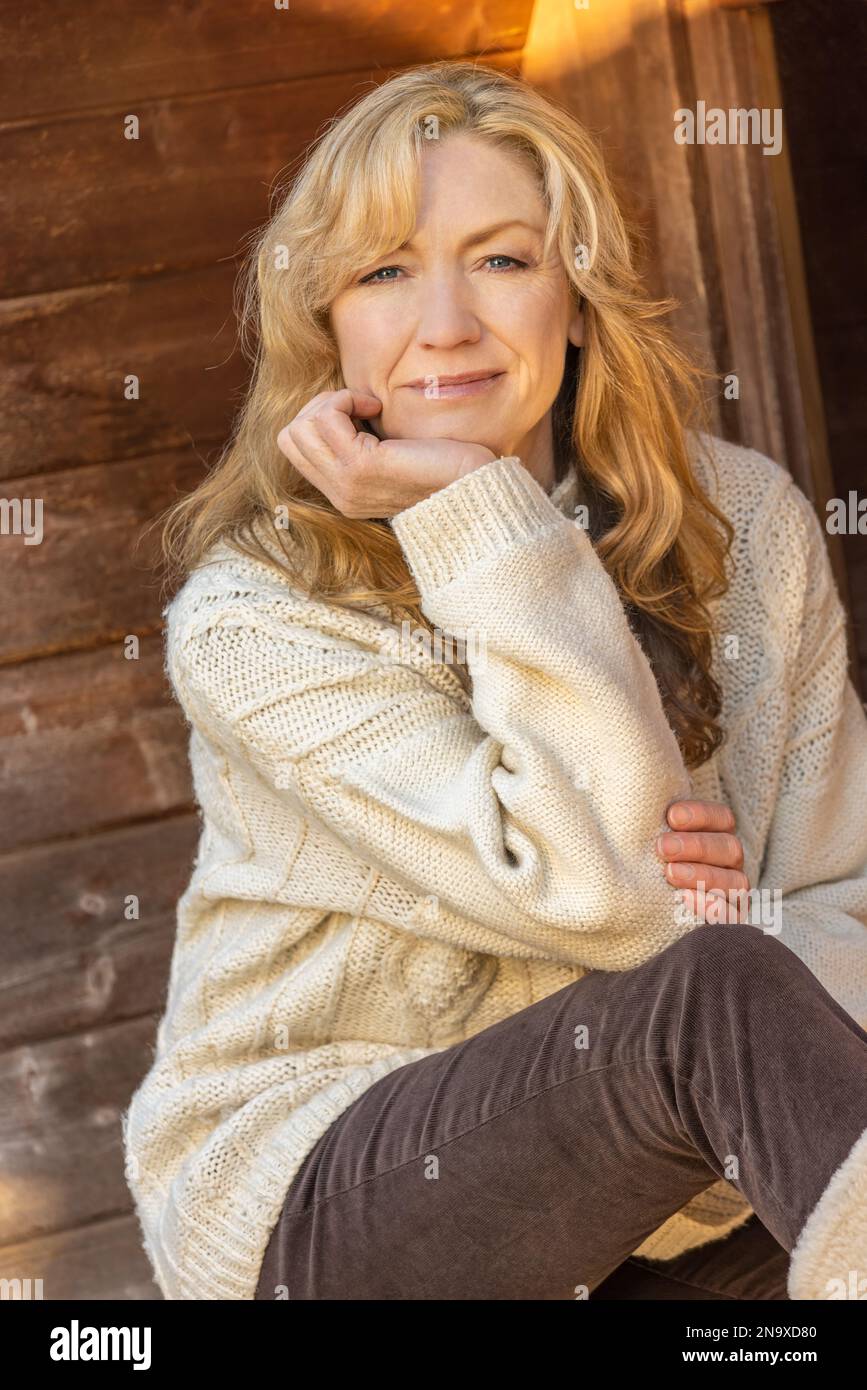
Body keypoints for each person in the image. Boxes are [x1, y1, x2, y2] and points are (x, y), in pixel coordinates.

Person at [123, 61, 867, 1301]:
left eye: (504, 260)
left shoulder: (745, 522)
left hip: (677, 1201)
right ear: (330, 329)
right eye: (384, 271)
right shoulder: (256, 616)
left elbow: (845, 895)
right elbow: (615, 898)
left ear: (578, 296)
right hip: (334, 1188)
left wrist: (752, 926)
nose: (448, 322)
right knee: (718, 991)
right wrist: (478, 508)